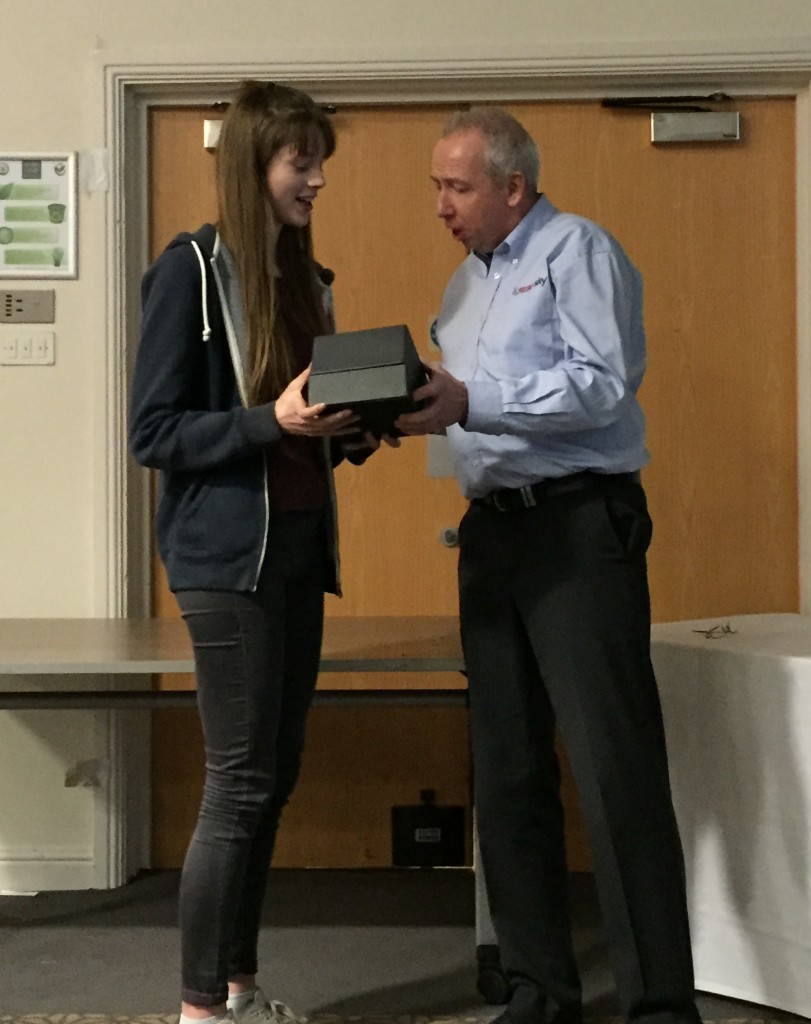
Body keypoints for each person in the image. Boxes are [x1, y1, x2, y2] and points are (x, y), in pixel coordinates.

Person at [395, 107, 702, 1024]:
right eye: (436, 188)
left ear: (512, 187)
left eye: (456, 187)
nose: (441, 206)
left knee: (613, 767)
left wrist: (471, 397)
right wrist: (403, 417)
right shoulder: (462, 288)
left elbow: (604, 382)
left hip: (576, 529)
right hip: (490, 534)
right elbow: (467, 415)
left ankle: (657, 1003)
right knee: (507, 768)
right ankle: (536, 989)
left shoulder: (578, 251)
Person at [129, 80, 388, 1024]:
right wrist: (266, 418)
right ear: (254, 165)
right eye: (300, 161)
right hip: (223, 562)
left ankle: (239, 987)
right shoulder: (189, 272)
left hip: (296, 553)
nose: (317, 179)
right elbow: (154, 431)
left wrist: (356, 424)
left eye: (319, 160)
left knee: (271, 775)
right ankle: (199, 1011)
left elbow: (301, 428)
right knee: (238, 781)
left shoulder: (305, 281)